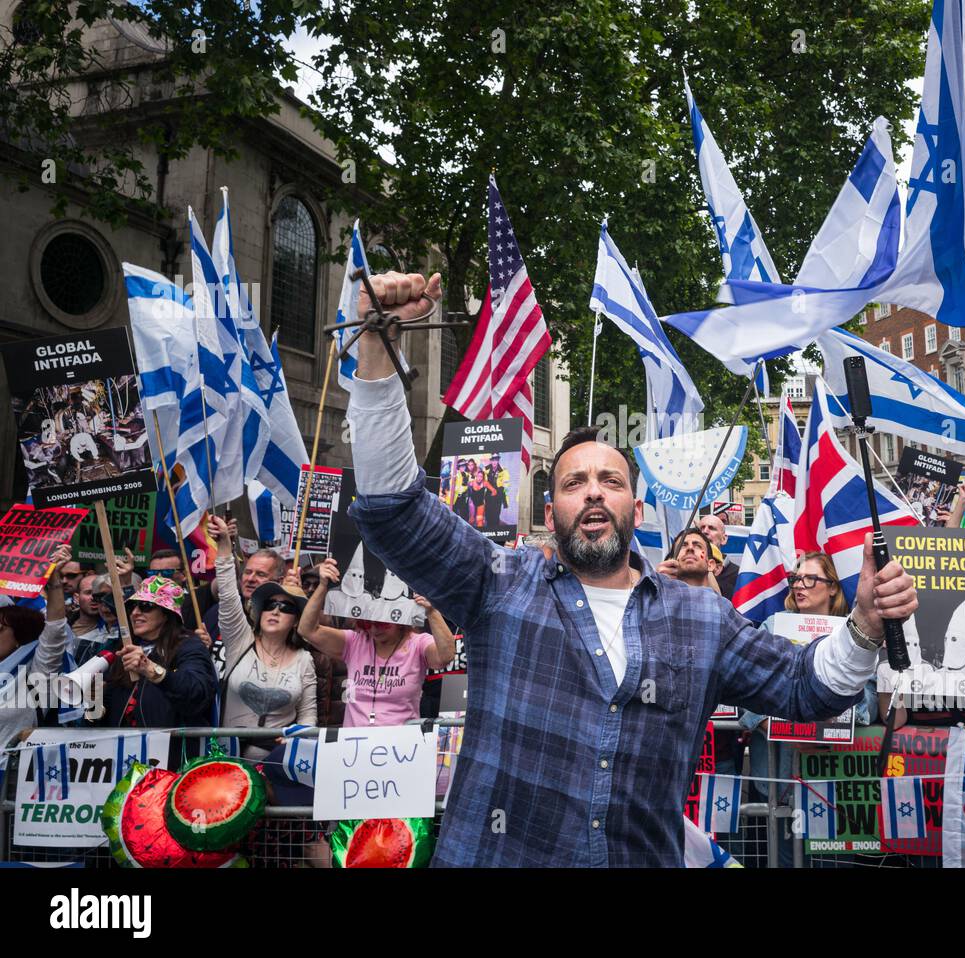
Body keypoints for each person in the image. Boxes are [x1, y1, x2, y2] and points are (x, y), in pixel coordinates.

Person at [340, 268, 917, 867]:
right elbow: (394, 510)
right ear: (551, 507)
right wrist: (378, 351)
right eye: (574, 483)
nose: (592, 492)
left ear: (634, 508)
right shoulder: (498, 584)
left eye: (609, 480)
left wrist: (867, 622)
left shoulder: (700, 616)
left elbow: (805, 684)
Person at [738, 551, 875, 868]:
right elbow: (745, 684)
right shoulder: (772, 627)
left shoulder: (852, 634)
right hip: (777, 776)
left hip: (832, 777)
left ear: (832, 587)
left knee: (829, 861)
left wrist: (835, 718)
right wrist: (772, 725)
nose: (800, 585)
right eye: (796, 578)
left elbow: (868, 697)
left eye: (810, 578)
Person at [299, 558, 455, 727]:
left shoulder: (417, 644)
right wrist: (322, 587)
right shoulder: (355, 642)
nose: (373, 629)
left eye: (382, 623)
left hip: (400, 746)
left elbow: (445, 656)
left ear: (399, 619)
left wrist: (432, 611)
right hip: (354, 744)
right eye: (366, 623)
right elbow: (307, 630)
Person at [208, 516, 316, 759]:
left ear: (297, 620)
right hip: (225, 758)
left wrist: (296, 738)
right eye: (270, 604)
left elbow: (308, 714)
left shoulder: (304, 659)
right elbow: (227, 592)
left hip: (275, 764)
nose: (276, 610)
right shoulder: (240, 641)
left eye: (286, 608)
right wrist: (225, 544)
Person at [94, 575, 218, 759]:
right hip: (121, 756)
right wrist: (93, 700)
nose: (135, 613)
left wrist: (151, 670)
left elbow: (196, 692)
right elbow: (97, 718)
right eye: (132, 606)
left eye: (145, 607)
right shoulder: (123, 648)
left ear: (167, 614)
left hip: (169, 758)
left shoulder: (189, 646)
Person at [0, 546, 73, 748]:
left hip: (10, 776)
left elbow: (56, 630)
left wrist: (54, 582)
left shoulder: (35, 675)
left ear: (19, 637)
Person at [201, 547, 286, 677]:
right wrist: (201, 647)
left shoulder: (282, 621)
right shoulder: (217, 611)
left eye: (261, 574)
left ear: (279, 581)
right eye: (247, 572)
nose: (251, 579)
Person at [656, 527, 719, 592]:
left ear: (710, 564)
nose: (690, 548)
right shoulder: (654, 599)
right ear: (670, 562)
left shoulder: (722, 602)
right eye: (682, 546)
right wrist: (656, 582)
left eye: (698, 546)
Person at [697, 513, 740, 600]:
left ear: (724, 539)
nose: (705, 531)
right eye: (701, 528)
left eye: (712, 528)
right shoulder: (685, 569)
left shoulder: (739, 575)